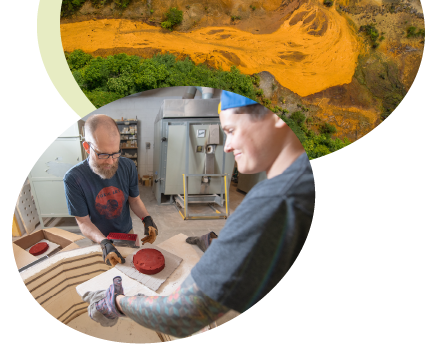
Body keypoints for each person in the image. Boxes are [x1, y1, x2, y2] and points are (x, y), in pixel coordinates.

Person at [84, 92, 315, 337]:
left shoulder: (276, 200)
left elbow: (182, 314)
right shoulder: (304, 182)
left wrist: (118, 302)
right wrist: (220, 246)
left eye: (232, 130)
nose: (226, 146)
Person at [63, 114, 158, 266]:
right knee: (107, 276)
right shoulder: (74, 179)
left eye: (115, 153)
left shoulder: (128, 166)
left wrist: (147, 218)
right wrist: (105, 242)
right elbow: (83, 222)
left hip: (127, 233)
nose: (111, 161)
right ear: (87, 147)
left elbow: (134, 200)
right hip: (99, 239)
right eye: (103, 154)